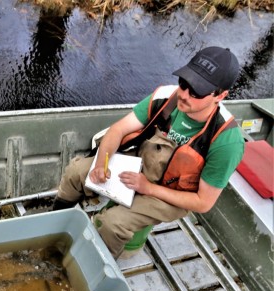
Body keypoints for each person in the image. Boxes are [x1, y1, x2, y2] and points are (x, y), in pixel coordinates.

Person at [53, 46, 244, 259]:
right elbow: (118, 130)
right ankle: (54, 229)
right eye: (184, 83)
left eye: (196, 91)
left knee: (110, 224)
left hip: (174, 194)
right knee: (76, 171)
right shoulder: (165, 97)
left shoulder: (226, 141)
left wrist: (149, 188)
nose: (184, 95)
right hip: (141, 164)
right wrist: (100, 164)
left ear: (221, 95)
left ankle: (97, 266)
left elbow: (202, 202)